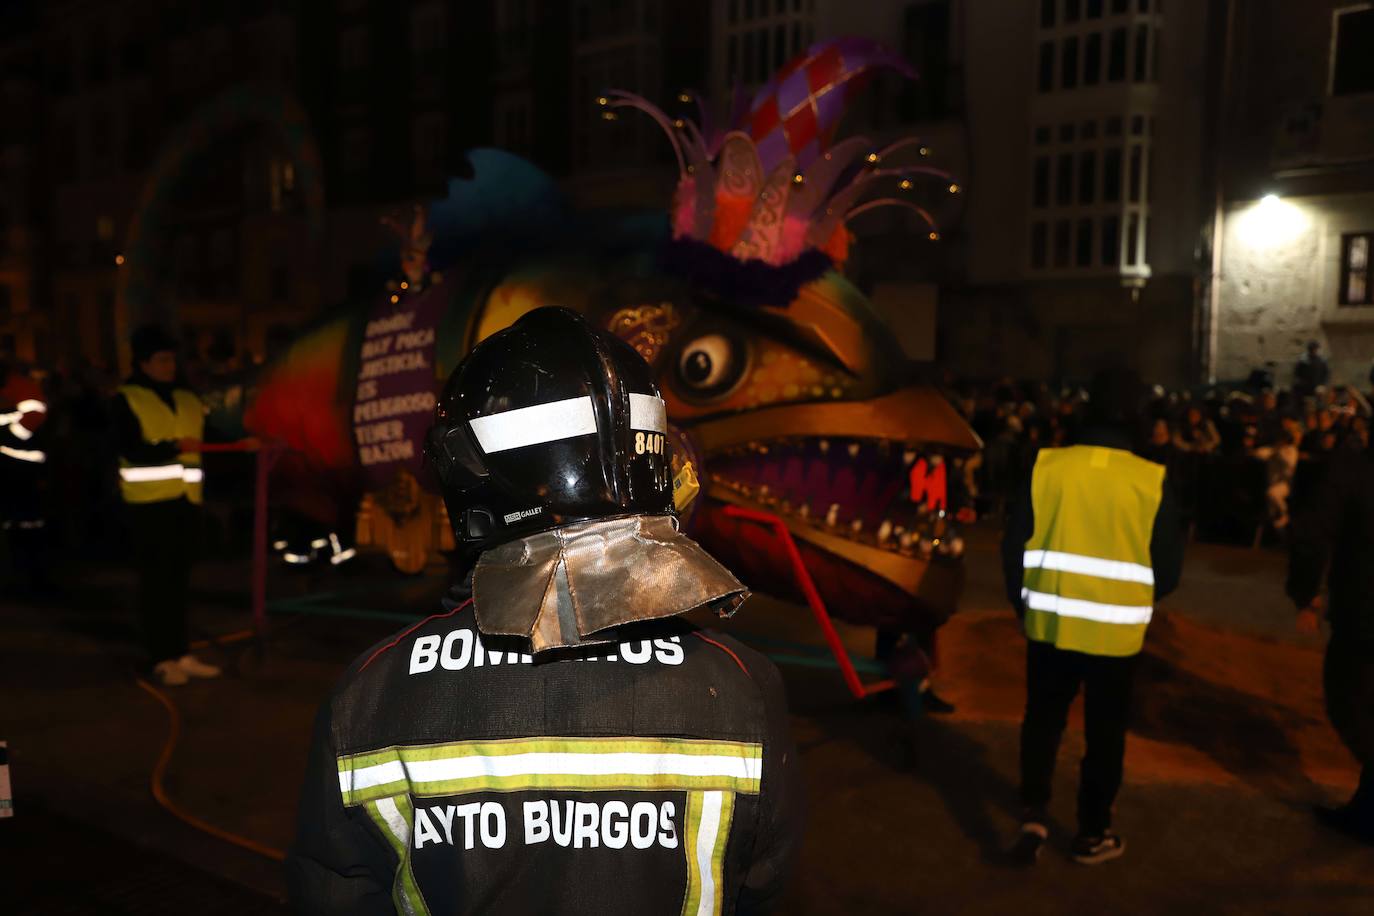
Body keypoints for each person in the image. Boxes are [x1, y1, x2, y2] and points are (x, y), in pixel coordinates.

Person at [287, 307, 802, 914]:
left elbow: (335, 893)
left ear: (469, 476)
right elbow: (762, 889)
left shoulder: (371, 694)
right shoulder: (743, 687)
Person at [1001, 367, 1183, 866]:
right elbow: (1167, 570)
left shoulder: (1047, 467)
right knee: (1105, 733)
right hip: (1115, 635)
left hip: (1049, 623)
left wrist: (1025, 604)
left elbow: (1013, 546)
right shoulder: (1151, 479)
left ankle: (1034, 813)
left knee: (1042, 720)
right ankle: (1091, 831)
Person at [113, 325, 222, 686]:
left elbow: (211, 436)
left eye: (172, 359)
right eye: (161, 360)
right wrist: (173, 447)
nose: (169, 365)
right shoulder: (127, 398)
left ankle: (181, 652)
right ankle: (161, 657)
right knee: (156, 584)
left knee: (178, 582)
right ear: (143, 363)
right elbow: (127, 447)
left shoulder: (188, 398)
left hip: (185, 504)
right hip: (149, 506)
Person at [1288, 426, 1374, 846]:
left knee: (1350, 704)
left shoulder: (1354, 470)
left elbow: (1311, 532)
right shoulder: (1353, 470)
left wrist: (1305, 592)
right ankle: (1366, 812)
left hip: (1363, 618)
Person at [0, 359, 52, 593]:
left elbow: (33, 417)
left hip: (22, 466)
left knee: (27, 522)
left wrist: (10, 436)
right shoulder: (14, 386)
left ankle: (33, 576)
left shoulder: (19, 387)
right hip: (13, 465)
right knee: (17, 522)